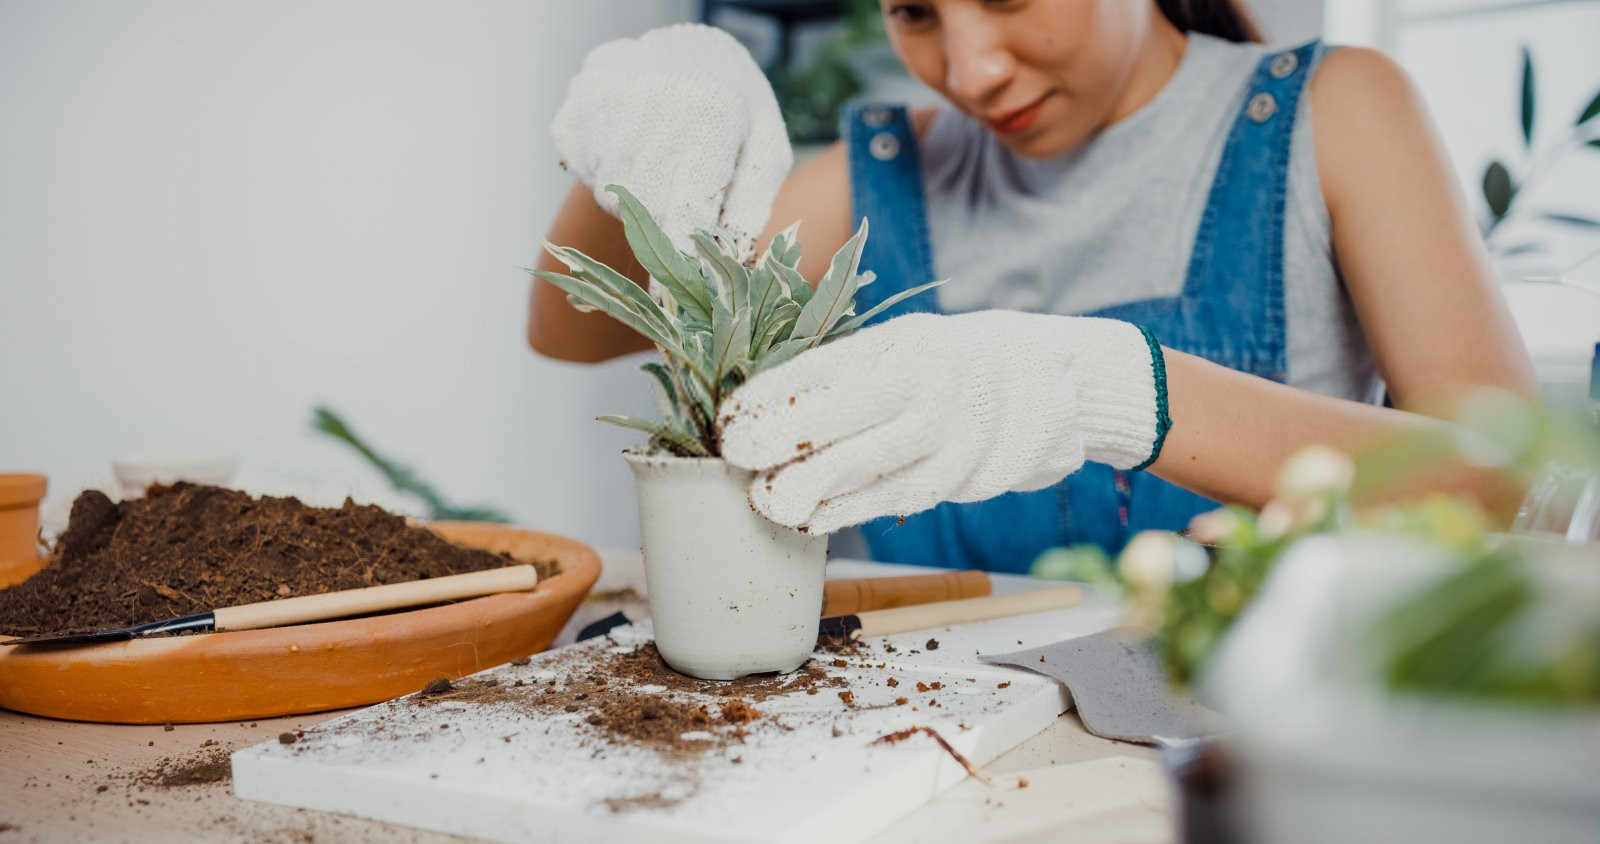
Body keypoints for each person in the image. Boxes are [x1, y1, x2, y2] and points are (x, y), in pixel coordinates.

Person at [528, 0, 1537, 572]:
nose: (969, 69)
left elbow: (1501, 478)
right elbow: (567, 330)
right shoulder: (875, 179)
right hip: (926, 761)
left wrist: (1100, 387)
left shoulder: (1338, 112)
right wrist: (639, 133)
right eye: (916, 13)